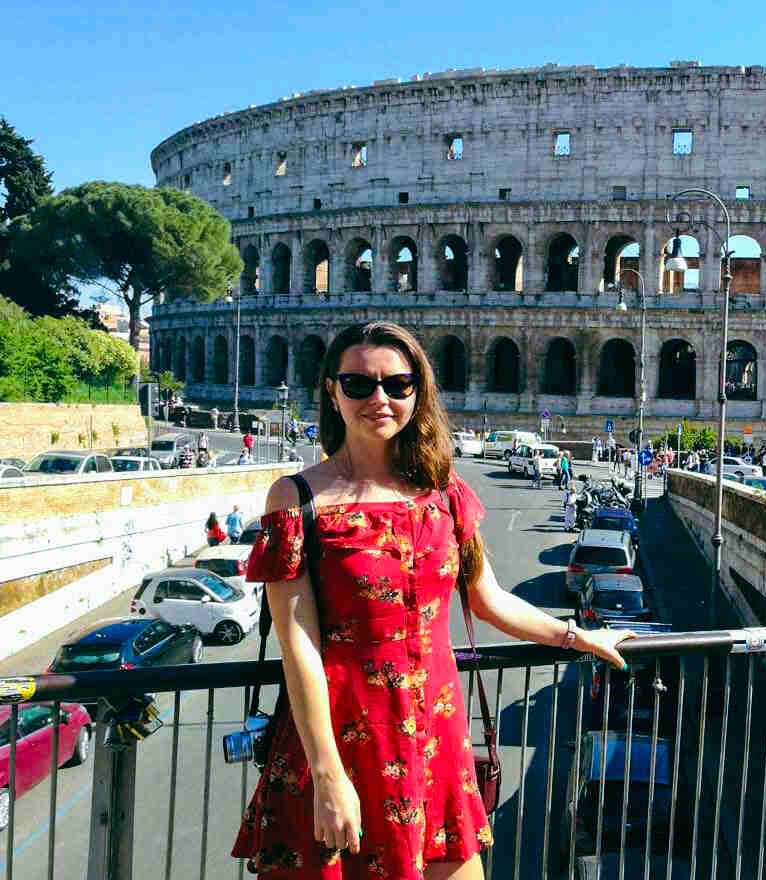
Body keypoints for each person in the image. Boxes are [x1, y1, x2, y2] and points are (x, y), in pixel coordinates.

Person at [232, 321, 632, 878]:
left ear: (418, 392)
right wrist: (327, 775)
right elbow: (298, 643)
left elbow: (488, 597)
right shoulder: (298, 498)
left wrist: (576, 635)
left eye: (397, 385)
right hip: (341, 739)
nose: (379, 398)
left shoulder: (445, 490)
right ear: (331, 391)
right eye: (359, 385)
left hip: (434, 735)